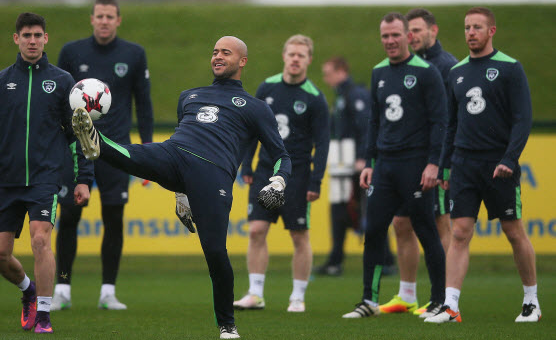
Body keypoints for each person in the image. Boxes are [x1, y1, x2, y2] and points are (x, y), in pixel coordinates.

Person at [71, 36, 291, 339]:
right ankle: (95, 141)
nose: (217, 57)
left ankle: (227, 325)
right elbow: (182, 135)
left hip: (212, 173)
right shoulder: (189, 96)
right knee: (135, 155)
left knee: (215, 253)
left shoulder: (255, 108)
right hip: (173, 153)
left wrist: (278, 182)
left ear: (242, 61)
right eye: (214, 52)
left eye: (226, 53)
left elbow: (281, 155)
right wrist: (180, 194)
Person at [0, 12, 93, 333]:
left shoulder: (63, 82)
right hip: (7, 180)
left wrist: (83, 179)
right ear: (16, 39)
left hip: (44, 178)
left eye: (37, 35)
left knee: (39, 240)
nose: (32, 40)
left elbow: (78, 134)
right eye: (26, 35)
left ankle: (45, 315)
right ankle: (29, 291)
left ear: (46, 38)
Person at [425, 7, 540, 324]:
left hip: (497, 164)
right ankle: (451, 307)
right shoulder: (456, 72)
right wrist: (446, 166)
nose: (470, 32)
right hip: (463, 163)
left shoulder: (510, 68)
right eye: (466, 27)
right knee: (459, 233)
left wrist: (509, 159)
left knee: (513, 231)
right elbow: (451, 124)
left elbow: (522, 120)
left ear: (491, 31)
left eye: (477, 27)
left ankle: (531, 301)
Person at [51, 0, 153, 311]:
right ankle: (62, 289)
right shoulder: (71, 52)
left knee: (114, 218)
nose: (105, 21)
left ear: (118, 20)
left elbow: (144, 103)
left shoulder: (134, 54)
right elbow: (58, 102)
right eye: (100, 16)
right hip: (76, 149)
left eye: (110, 16)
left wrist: (147, 152)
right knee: (68, 217)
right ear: (92, 19)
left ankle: (108, 291)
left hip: (116, 150)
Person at [342, 12, 447, 320]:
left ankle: (439, 300)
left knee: (426, 230)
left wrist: (433, 164)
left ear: (408, 37)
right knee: (373, 230)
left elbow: (440, 122)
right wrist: (370, 161)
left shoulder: (427, 72)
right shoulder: (378, 72)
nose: (389, 41)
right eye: (385, 36)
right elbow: (375, 121)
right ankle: (369, 300)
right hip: (385, 165)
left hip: (415, 164)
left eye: (395, 35)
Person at [232, 35, 329, 312]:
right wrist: (247, 164)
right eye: (291, 54)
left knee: (299, 234)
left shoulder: (315, 98)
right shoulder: (267, 87)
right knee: (256, 231)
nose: (295, 59)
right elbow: (252, 130)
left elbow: (322, 144)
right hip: (265, 169)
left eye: (301, 55)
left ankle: (297, 296)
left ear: (309, 59)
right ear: (284, 56)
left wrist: (316, 179)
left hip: (296, 175)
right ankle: (255, 293)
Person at [380, 8, 458, 316]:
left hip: (433, 160)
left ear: (433, 31)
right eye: (407, 31)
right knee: (401, 223)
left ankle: (446, 298)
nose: (411, 36)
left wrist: (441, 162)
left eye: (416, 30)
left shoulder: (445, 66)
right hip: (406, 160)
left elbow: (449, 119)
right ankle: (407, 294)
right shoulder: (404, 66)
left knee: (440, 224)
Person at [314, 56, 371, 277]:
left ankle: (384, 259)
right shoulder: (341, 96)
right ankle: (336, 258)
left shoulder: (355, 95)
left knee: (364, 208)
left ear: (341, 71)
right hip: (341, 161)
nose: (326, 78)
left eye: (328, 73)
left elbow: (365, 127)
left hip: (354, 162)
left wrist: (362, 157)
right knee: (341, 209)